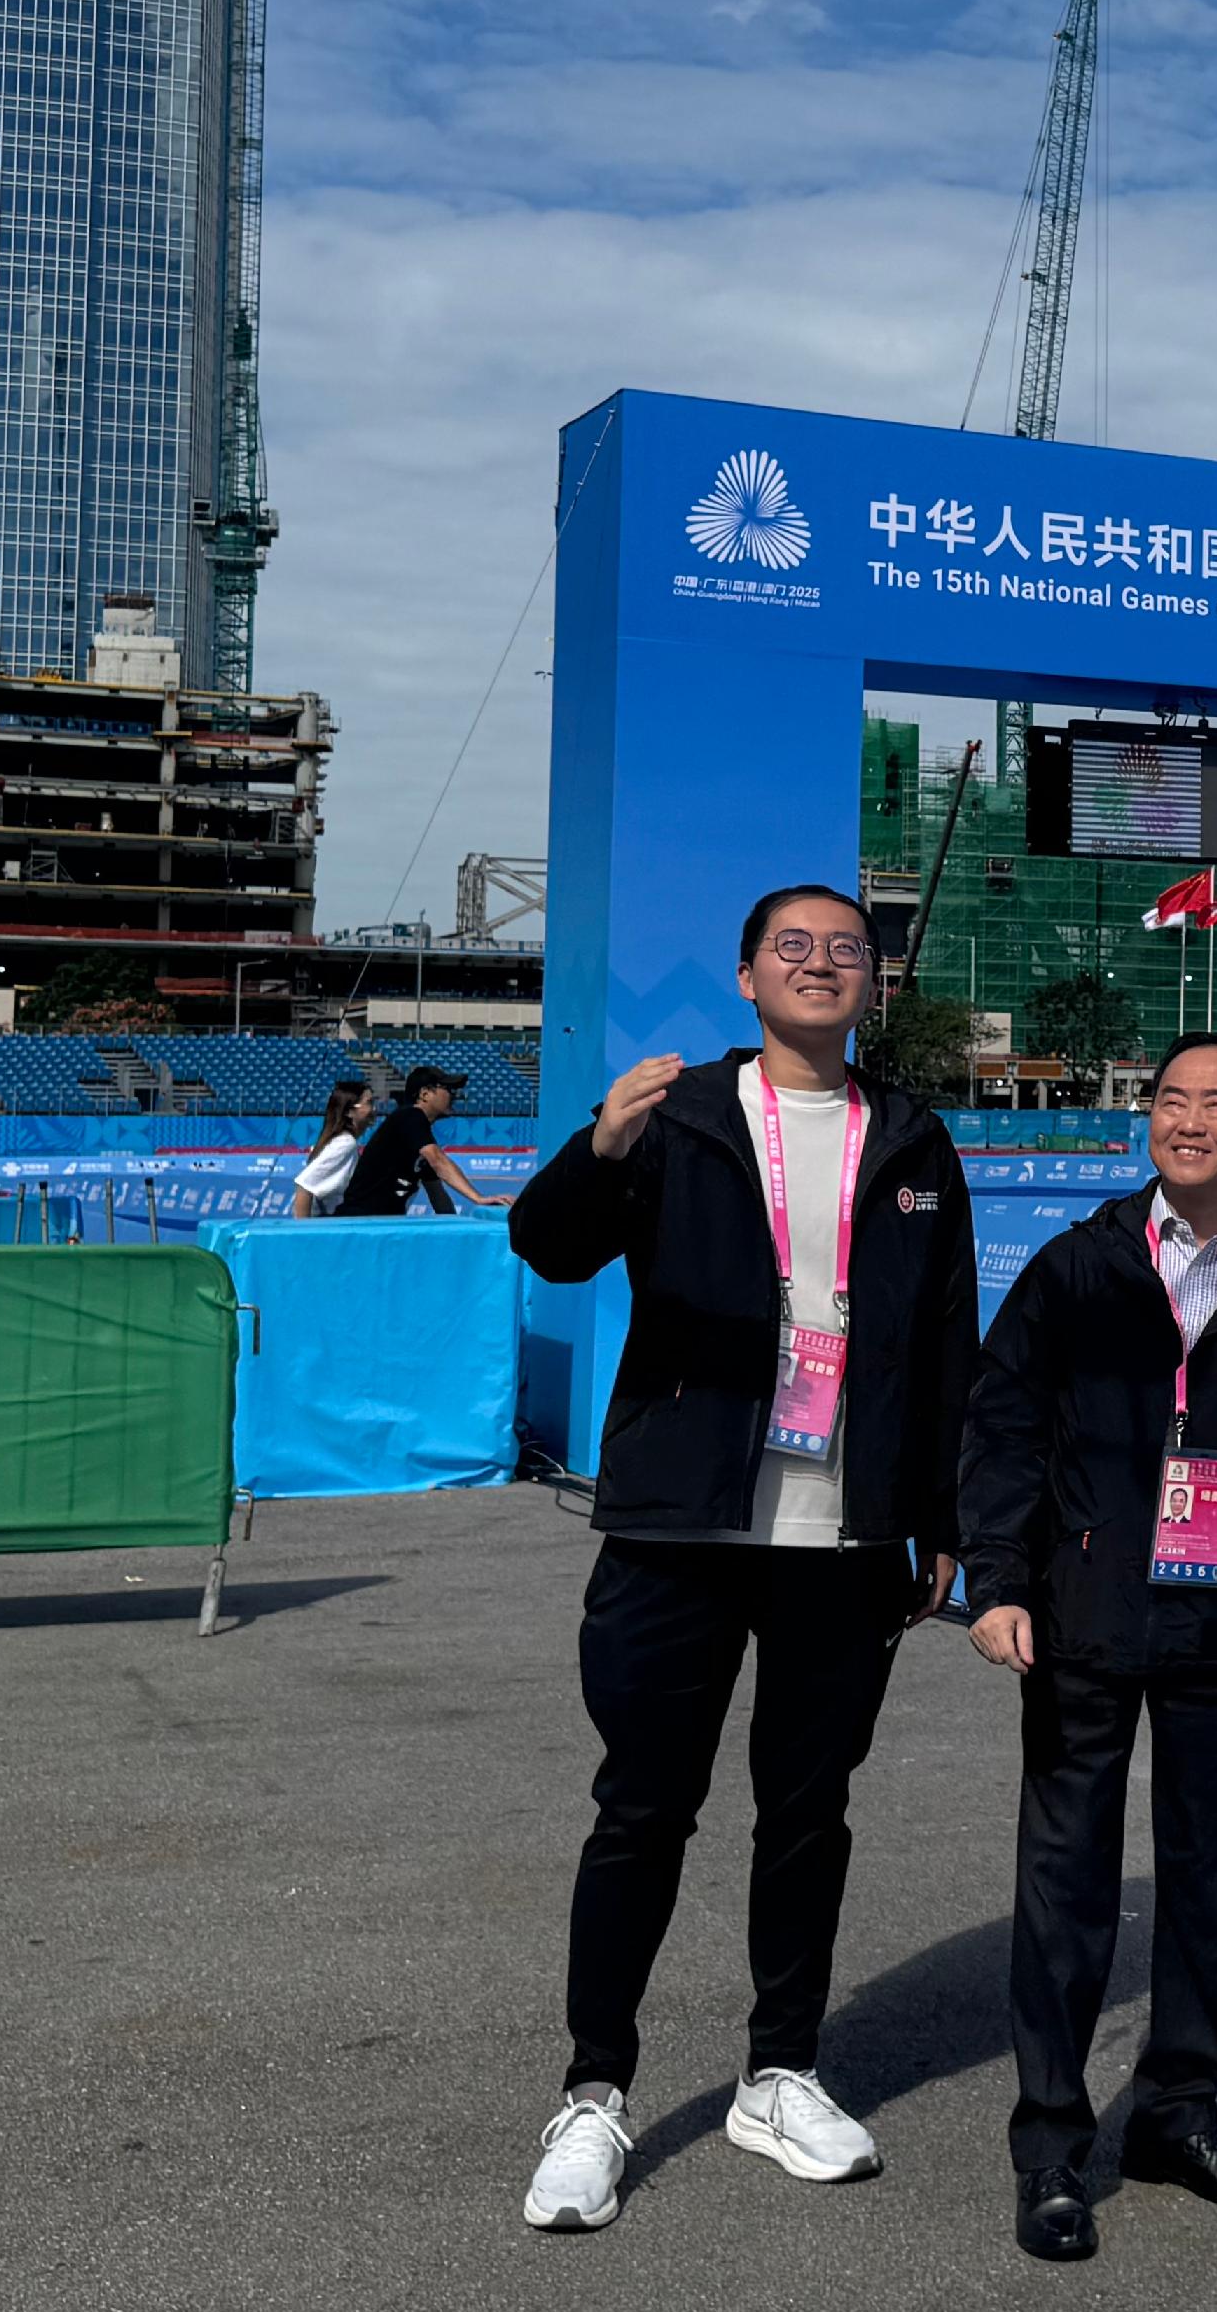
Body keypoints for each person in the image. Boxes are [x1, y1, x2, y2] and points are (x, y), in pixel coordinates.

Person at [504, 885, 981, 2236]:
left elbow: (949, 1344)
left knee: (809, 1813)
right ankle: (595, 2094)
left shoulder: (916, 1139)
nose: (825, 967)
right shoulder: (683, 1116)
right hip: (680, 1522)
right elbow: (546, 1245)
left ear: (872, 983)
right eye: (797, 948)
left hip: (841, 1531)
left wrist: (942, 1519)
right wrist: (598, 1150)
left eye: (848, 951)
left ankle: (781, 2071)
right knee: (644, 1810)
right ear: (745, 976)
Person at [959, 1032, 1217, 2262]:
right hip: (1082, 1621)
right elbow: (1004, 1430)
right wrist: (998, 1582)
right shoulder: (1079, 1267)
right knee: (1067, 1891)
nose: (1192, 1122)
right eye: (1173, 1102)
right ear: (1148, 1120)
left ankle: (1176, 2116)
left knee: (1204, 1884)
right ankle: (1050, 2146)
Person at [338, 1069, 510, 1217]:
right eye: (448, 1089)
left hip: (381, 1222)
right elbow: (438, 1160)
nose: (454, 1095)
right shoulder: (410, 1116)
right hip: (360, 1220)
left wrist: (454, 1227)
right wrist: (478, 1198)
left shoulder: (417, 1136)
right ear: (425, 1094)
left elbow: (437, 1194)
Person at [289, 1078, 375, 1218]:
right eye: (369, 1103)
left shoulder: (342, 1141)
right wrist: (302, 1233)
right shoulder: (345, 1144)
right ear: (349, 1111)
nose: (374, 1109)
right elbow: (304, 1186)